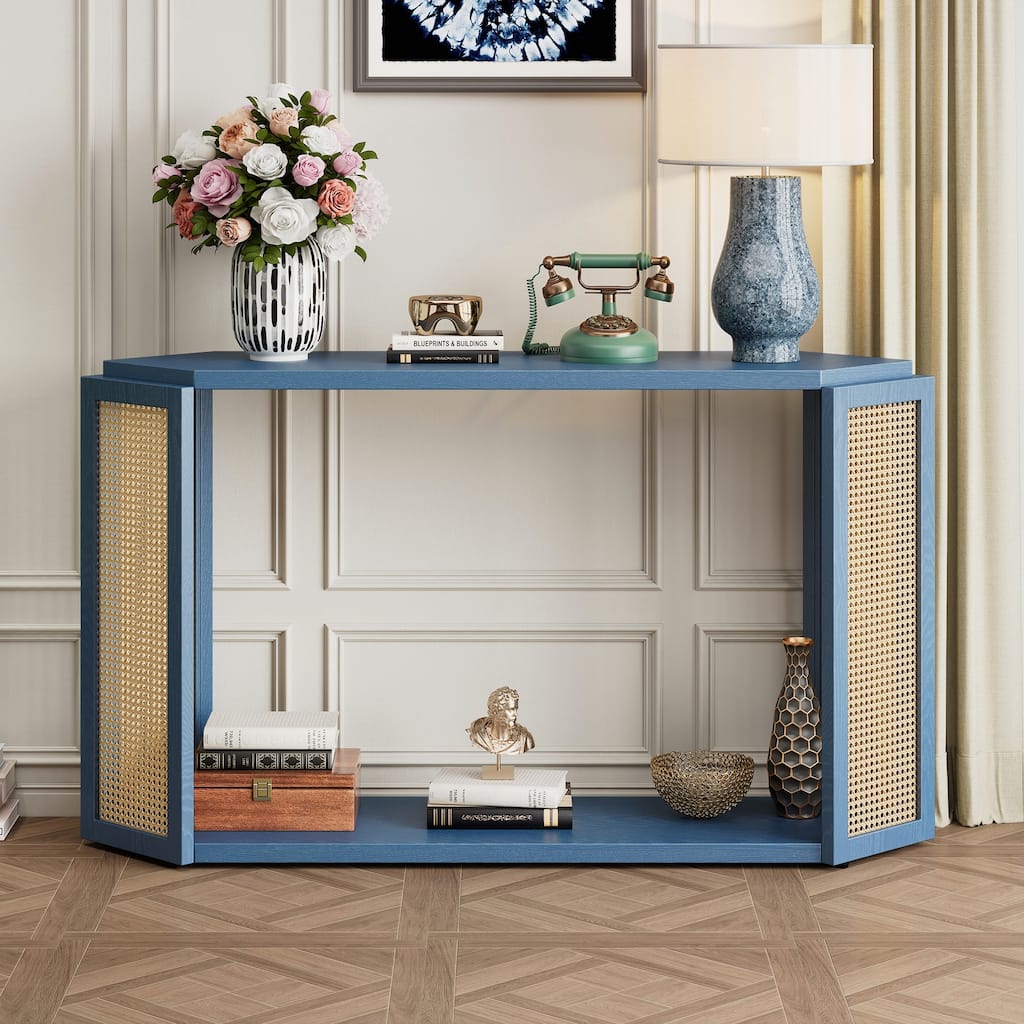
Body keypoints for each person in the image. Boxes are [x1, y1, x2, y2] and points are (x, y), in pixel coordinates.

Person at [467, 686, 535, 756]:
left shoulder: (525, 738)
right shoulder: (478, 734)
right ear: (496, 711)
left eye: (516, 709)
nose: (516, 714)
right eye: (511, 709)